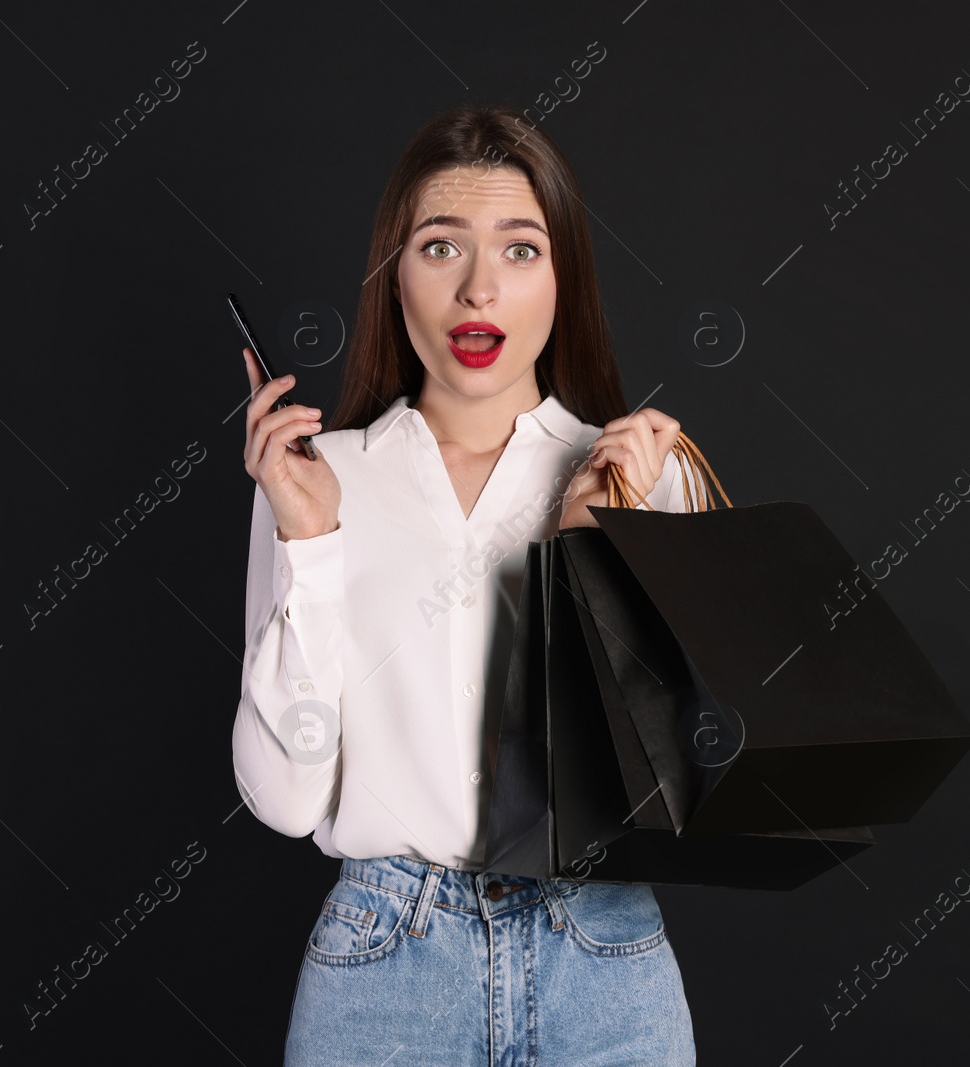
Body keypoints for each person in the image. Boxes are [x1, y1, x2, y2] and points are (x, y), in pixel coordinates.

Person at [232, 104, 697, 1065]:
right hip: (387, 968)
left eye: (521, 250)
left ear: (563, 278)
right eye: (441, 246)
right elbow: (283, 797)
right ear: (393, 274)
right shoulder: (325, 478)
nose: (480, 287)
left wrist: (589, 542)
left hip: (603, 960)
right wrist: (311, 544)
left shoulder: (643, 475)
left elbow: (667, 783)